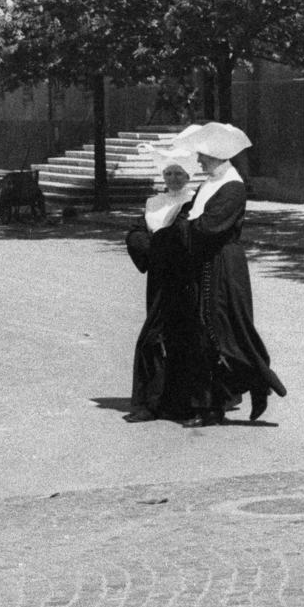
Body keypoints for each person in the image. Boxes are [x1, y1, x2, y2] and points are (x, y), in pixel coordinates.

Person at [169, 122, 286, 427]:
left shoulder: (232, 187)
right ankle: (212, 405)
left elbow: (209, 227)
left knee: (225, 333)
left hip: (223, 265)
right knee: (207, 333)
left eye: (202, 156)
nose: (198, 161)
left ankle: (255, 383)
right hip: (206, 262)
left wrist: (181, 227)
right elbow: (190, 215)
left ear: (216, 155)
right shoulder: (209, 183)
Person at [124, 162, 200, 423]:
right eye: (168, 173)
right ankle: (152, 401)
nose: (173, 178)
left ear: (189, 175)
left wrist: (160, 247)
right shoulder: (153, 202)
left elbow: (186, 238)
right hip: (159, 276)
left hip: (183, 277)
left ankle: (180, 402)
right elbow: (135, 233)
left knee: (181, 336)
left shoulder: (195, 202)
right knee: (154, 337)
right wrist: (152, 249)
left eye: (179, 173)